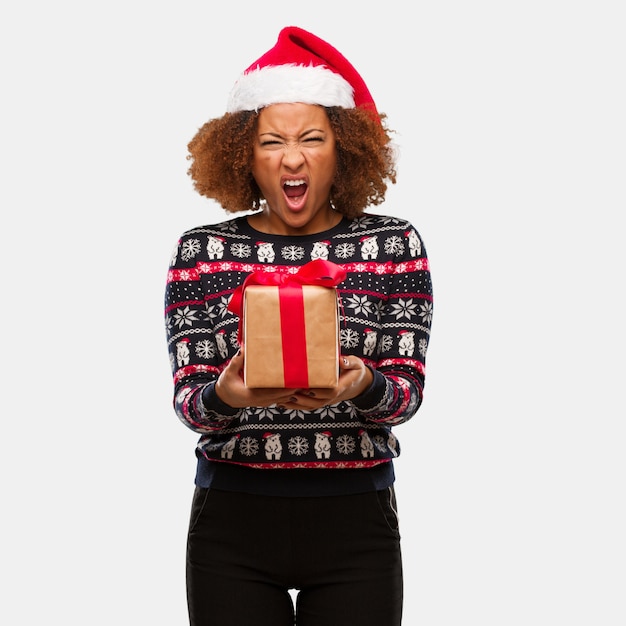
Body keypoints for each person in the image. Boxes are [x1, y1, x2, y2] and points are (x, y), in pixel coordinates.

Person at [164, 25, 433, 626]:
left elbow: (406, 396)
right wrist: (225, 395)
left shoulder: (392, 245)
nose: (292, 157)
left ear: (344, 148)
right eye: (271, 142)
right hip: (231, 521)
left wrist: (362, 383)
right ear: (243, 154)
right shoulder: (202, 251)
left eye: (312, 138)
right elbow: (189, 403)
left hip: (356, 524)